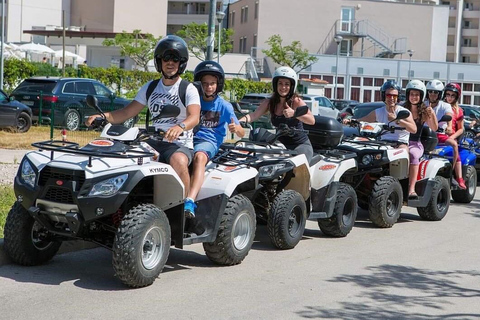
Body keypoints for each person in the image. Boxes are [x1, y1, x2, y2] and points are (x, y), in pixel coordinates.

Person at [85, 35, 201, 202]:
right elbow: (126, 113)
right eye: (166, 58)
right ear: (159, 61)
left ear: (181, 63)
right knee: (124, 157)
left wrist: (179, 127)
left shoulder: (188, 89)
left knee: (179, 160)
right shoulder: (150, 88)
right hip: (153, 141)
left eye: (175, 59)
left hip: (179, 144)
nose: (170, 63)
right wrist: (102, 117)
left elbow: (194, 117)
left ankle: (185, 206)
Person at [183, 61, 245, 218]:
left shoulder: (225, 106)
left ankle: (190, 200)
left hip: (209, 142)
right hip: (189, 138)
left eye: (212, 83)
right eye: (205, 83)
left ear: (219, 84)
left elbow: (241, 133)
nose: (208, 87)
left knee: (199, 157)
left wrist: (235, 129)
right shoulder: (192, 101)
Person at [238, 66, 315, 162]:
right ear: (275, 85)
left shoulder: (296, 101)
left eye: (287, 84)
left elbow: (312, 120)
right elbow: (254, 115)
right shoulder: (270, 102)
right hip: (280, 145)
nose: (283, 87)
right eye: (280, 83)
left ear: (292, 86)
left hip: (299, 145)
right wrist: (239, 121)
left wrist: (294, 113)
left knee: (297, 167)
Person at [343, 80, 417, 149]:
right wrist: (350, 121)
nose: (391, 98)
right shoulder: (378, 112)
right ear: (383, 96)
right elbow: (363, 120)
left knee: (402, 153)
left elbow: (414, 129)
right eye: (388, 95)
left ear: (398, 97)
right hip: (383, 143)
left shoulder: (403, 112)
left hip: (400, 144)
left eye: (394, 96)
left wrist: (397, 121)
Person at [403, 80, 438, 199]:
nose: (414, 97)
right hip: (399, 142)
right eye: (412, 94)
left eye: (417, 95)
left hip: (415, 144)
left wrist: (431, 114)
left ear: (421, 96)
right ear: (408, 95)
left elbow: (434, 127)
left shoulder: (424, 111)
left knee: (413, 154)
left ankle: (411, 189)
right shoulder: (401, 108)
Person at [442, 82, 466, 189]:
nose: (449, 97)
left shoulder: (459, 111)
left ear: (456, 97)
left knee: (456, 151)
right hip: (438, 135)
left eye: (452, 95)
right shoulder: (440, 106)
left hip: (451, 137)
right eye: (448, 94)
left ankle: (459, 178)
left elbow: (461, 129)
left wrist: (452, 137)